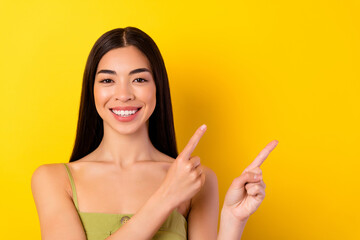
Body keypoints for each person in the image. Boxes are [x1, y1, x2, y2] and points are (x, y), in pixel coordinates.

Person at [31, 27, 278, 240]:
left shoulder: (197, 180)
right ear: (91, 90)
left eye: (139, 80)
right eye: (107, 81)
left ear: (157, 88)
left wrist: (233, 220)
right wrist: (166, 197)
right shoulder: (53, 180)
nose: (124, 94)